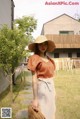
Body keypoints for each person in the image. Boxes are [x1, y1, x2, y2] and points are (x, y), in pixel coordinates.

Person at [27, 35, 56, 119]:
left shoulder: (50, 60)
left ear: (47, 45)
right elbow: (34, 79)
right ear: (37, 46)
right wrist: (35, 98)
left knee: (51, 111)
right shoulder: (34, 58)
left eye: (45, 44)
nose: (43, 46)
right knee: (43, 113)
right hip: (42, 88)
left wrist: (54, 91)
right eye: (40, 44)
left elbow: (52, 77)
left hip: (51, 88)